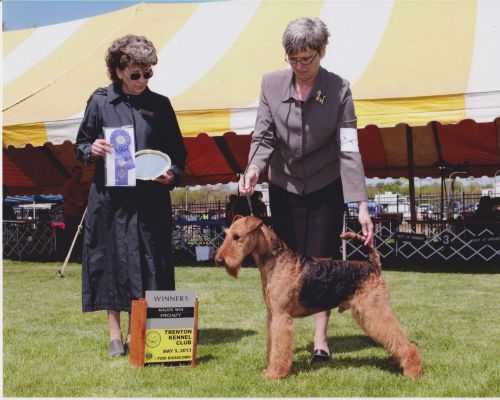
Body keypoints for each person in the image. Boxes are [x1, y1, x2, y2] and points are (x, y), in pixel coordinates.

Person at [239, 17, 374, 363]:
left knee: (321, 260)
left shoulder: (340, 89)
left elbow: (348, 147)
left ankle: (320, 340)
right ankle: (279, 334)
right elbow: (263, 135)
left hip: (325, 184)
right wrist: (254, 168)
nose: (300, 65)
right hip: (284, 185)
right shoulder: (271, 84)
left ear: (321, 51)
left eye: (307, 58)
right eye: (293, 58)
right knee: (281, 266)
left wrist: (359, 202)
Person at [75, 34, 187, 357]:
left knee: (153, 263)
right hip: (110, 200)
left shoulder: (161, 106)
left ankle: (146, 332)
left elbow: (178, 154)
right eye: (136, 74)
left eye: (148, 73)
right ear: (119, 71)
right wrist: (91, 148)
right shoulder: (99, 102)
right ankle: (114, 334)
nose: (143, 80)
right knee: (112, 263)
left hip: (150, 201)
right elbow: (80, 146)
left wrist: (172, 175)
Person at [62, 165, 88, 261]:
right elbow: (65, 196)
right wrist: (76, 203)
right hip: (70, 214)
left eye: (80, 174)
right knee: (70, 235)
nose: (79, 176)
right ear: (73, 174)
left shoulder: (80, 185)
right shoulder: (69, 184)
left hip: (79, 214)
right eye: (77, 174)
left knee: (79, 236)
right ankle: (69, 256)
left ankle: (78, 255)